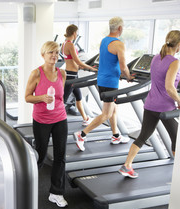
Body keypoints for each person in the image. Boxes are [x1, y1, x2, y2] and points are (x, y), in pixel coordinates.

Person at [119, 30, 180, 178]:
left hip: (150, 104)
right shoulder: (174, 62)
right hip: (165, 107)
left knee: (143, 136)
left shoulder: (156, 58)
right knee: (177, 138)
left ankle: (127, 165)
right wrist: (179, 100)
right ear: (178, 45)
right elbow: (169, 87)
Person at [74, 16, 133, 152]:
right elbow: (124, 67)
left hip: (103, 80)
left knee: (113, 109)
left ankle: (116, 135)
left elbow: (108, 61)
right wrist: (128, 77)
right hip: (110, 82)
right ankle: (82, 135)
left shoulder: (104, 40)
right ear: (120, 28)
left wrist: (121, 73)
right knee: (106, 113)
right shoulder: (119, 44)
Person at [25, 41, 68, 208]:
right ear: (43, 55)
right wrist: (41, 98)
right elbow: (27, 97)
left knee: (60, 156)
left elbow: (60, 98)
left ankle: (56, 193)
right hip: (41, 120)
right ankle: (27, 188)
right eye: (50, 52)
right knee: (40, 155)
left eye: (56, 52)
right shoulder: (36, 73)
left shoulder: (62, 73)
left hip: (60, 118)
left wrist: (57, 107)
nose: (54, 55)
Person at [61, 24, 98, 126]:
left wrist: (81, 66)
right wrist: (91, 68)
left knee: (79, 97)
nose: (77, 35)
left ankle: (85, 118)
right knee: (63, 100)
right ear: (74, 33)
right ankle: (54, 121)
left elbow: (71, 60)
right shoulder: (70, 44)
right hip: (71, 76)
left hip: (71, 73)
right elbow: (78, 61)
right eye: (76, 33)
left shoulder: (64, 44)